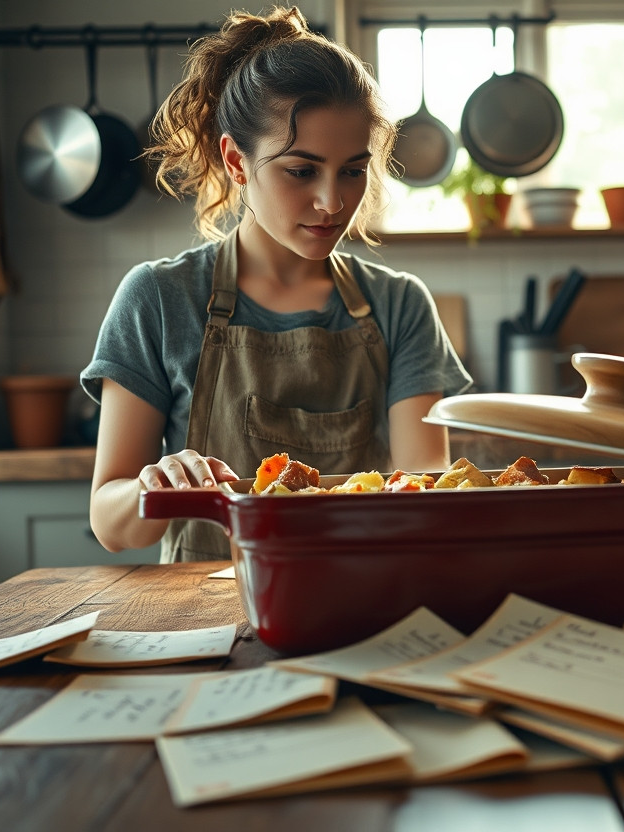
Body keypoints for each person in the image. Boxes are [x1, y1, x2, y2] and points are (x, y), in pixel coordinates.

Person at [81, 7, 471, 562]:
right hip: (205, 618)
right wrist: (154, 488)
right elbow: (114, 526)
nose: (332, 202)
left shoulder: (399, 305)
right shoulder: (159, 300)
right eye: (301, 170)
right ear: (237, 162)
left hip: (363, 606)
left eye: (353, 170)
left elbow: (426, 496)